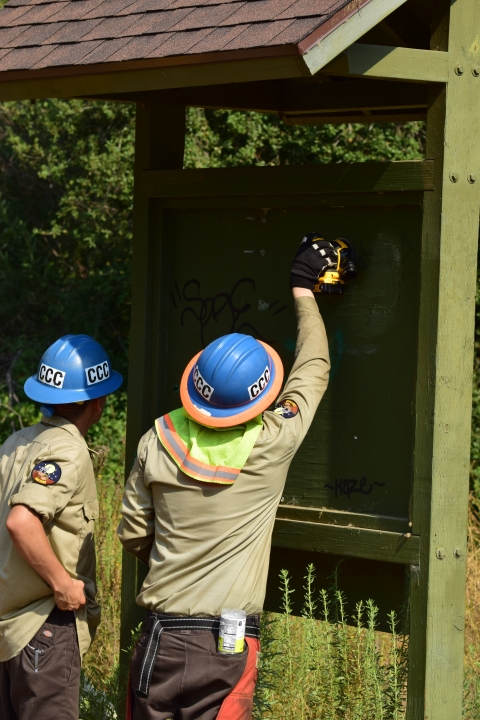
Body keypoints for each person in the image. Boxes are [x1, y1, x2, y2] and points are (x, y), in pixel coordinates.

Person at [118, 234, 339, 720]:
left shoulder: (157, 440)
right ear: (259, 399)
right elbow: (314, 369)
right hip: (227, 642)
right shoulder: (271, 443)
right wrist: (304, 288)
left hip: (160, 637)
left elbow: (134, 535)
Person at [0, 334, 122, 720]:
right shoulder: (68, 450)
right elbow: (21, 522)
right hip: (43, 631)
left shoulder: (15, 443)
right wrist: (62, 584)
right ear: (96, 402)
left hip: (7, 637)